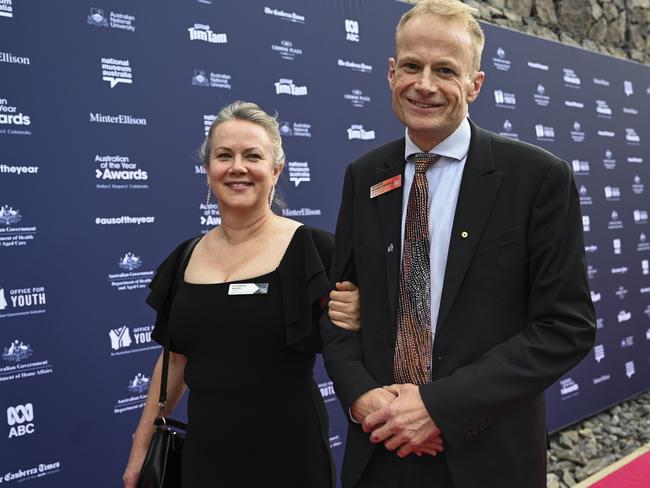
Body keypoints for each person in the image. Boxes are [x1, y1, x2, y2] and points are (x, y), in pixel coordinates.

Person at [320, 1, 596, 487]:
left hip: (485, 456)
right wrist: (360, 397)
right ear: (390, 72)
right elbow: (342, 309)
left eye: (445, 70)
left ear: (475, 84)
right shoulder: (363, 176)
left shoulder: (537, 179)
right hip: (379, 448)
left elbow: (564, 327)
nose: (424, 84)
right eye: (411, 65)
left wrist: (437, 408)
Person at [123, 101, 360, 487]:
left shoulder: (313, 251)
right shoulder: (184, 258)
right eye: (224, 155)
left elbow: (362, 336)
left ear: (276, 170)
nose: (237, 167)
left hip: (290, 461)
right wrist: (140, 449)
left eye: (253, 156)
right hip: (205, 461)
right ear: (208, 171)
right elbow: (174, 362)